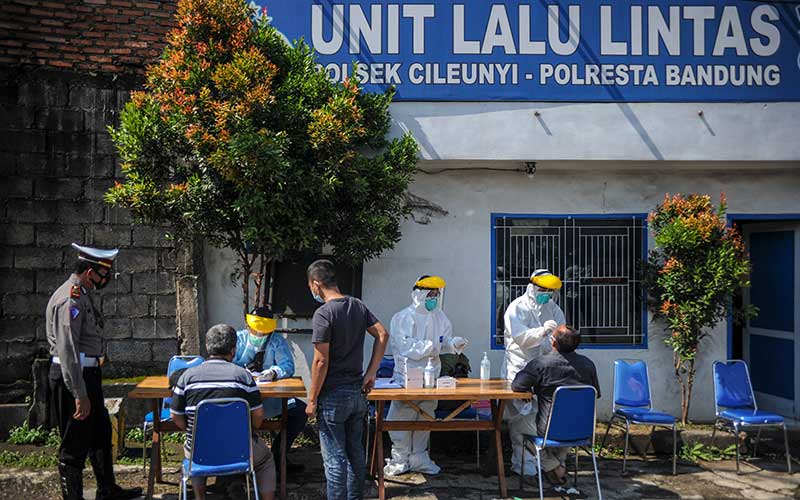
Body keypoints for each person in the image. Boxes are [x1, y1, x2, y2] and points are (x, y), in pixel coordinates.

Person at [46, 243, 142, 500]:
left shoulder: (82, 295)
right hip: (73, 377)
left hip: (87, 374)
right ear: (89, 272)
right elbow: (68, 350)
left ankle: (107, 488)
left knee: (100, 433)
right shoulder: (70, 299)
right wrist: (79, 393)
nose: (105, 280)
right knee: (74, 443)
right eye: (103, 274)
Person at [306, 259, 389, 500]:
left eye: (310, 286)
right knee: (355, 457)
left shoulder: (323, 313)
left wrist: (311, 400)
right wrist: (371, 372)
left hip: (332, 396)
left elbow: (320, 361)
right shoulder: (357, 306)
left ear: (316, 284)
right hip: (357, 393)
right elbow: (382, 334)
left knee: (334, 461)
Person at [170, 324, 276, 500]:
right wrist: (251, 431)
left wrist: (194, 432)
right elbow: (258, 416)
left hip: (200, 450)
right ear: (233, 350)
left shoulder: (187, 377)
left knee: (197, 450)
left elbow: (175, 416)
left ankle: (200, 497)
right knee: (266, 460)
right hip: (239, 450)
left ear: (207, 347)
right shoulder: (243, 376)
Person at [384, 275, 468, 476]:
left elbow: (444, 340)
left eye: (436, 295)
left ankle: (419, 457)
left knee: (426, 414)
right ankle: (400, 458)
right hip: (407, 376)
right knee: (402, 416)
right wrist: (433, 346)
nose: (434, 298)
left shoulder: (439, 316)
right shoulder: (402, 317)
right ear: (418, 294)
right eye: (430, 294)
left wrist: (453, 344)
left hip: (432, 375)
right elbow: (407, 347)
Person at [511, 325, 601, 485]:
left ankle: (552, 466)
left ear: (553, 343)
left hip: (548, 428)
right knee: (565, 426)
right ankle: (560, 465)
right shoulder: (589, 365)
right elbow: (595, 394)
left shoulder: (541, 364)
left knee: (516, 425)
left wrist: (530, 390)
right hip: (581, 428)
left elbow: (517, 385)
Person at [501, 269, 566, 479]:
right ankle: (522, 464)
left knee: (538, 417)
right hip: (519, 368)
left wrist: (549, 339)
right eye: (542, 290)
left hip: (545, 371)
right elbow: (521, 338)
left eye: (549, 291)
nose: (545, 294)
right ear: (532, 287)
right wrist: (542, 332)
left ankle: (541, 461)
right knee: (520, 416)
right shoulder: (516, 307)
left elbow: (560, 338)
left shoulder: (554, 309)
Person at [233, 305, 308, 475]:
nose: (260, 334)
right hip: (242, 398)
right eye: (256, 330)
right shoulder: (237, 339)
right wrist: (241, 372)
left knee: (300, 412)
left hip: (271, 398)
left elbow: (287, 365)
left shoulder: (276, 340)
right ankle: (238, 456)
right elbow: (227, 363)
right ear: (248, 325)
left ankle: (278, 454)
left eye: (264, 331)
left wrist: (274, 372)